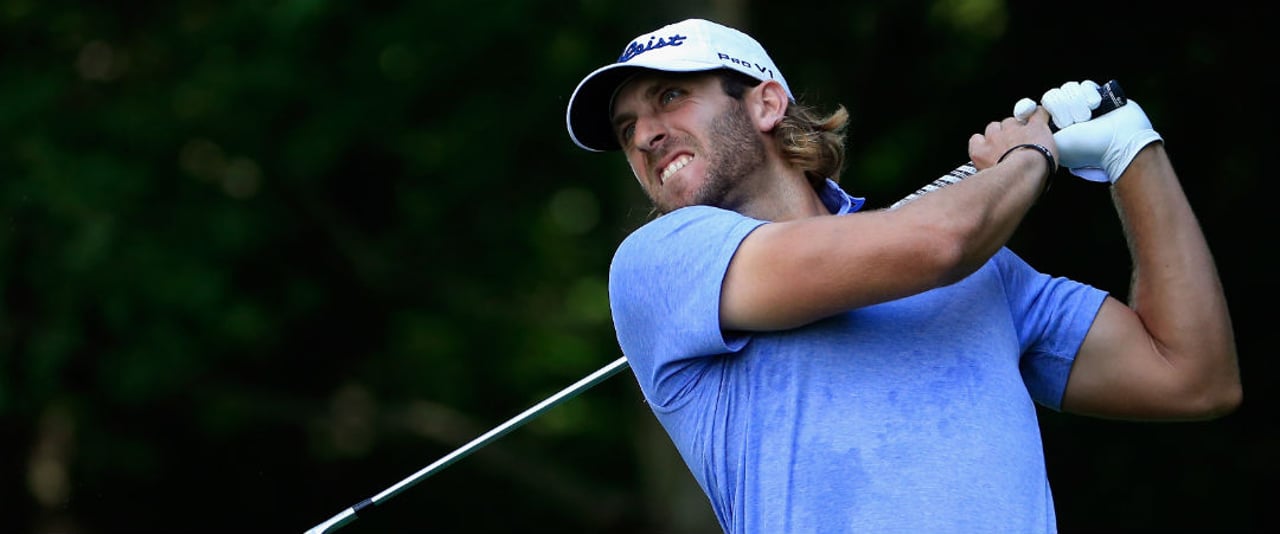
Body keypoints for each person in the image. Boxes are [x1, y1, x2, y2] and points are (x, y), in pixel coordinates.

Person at [564, 17, 1241, 533]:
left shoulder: (985, 271)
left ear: (765, 103)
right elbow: (940, 241)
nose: (646, 134)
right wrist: (1028, 159)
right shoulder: (661, 264)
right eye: (627, 129)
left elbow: (1193, 376)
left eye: (671, 96)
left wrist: (1132, 148)